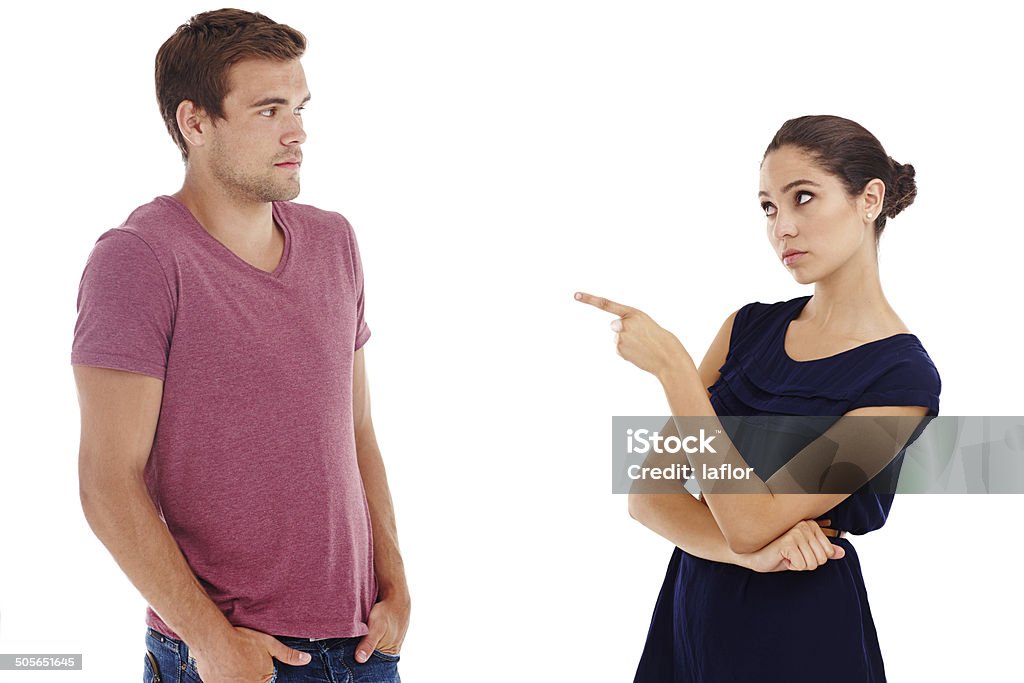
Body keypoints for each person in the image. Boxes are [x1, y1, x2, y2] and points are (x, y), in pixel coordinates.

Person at [71, 9, 408, 683]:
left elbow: (356, 427)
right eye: (269, 110)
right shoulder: (139, 259)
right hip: (233, 656)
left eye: (301, 107)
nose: (298, 131)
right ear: (196, 123)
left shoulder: (334, 241)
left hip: (364, 647)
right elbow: (108, 482)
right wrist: (212, 642)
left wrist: (394, 583)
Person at [576, 114, 941, 682]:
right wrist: (750, 552)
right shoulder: (747, 329)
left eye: (803, 198)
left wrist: (675, 372)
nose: (782, 229)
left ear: (869, 199)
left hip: (800, 630)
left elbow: (747, 519)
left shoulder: (903, 380)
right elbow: (650, 496)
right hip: (693, 608)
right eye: (769, 208)